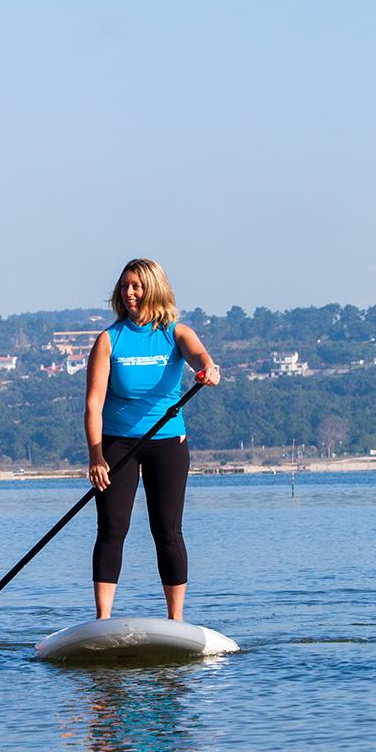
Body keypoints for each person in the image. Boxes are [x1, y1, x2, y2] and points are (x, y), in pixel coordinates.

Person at [85, 258, 221, 621]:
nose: (130, 293)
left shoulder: (176, 333)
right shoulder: (109, 340)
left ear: (154, 288)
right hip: (117, 444)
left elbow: (200, 357)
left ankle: (176, 621)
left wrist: (209, 371)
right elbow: (93, 404)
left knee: (167, 529)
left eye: (137, 286)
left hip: (167, 443)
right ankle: (103, 621)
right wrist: (96, 456)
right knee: (112, 528)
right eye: (125, 286)